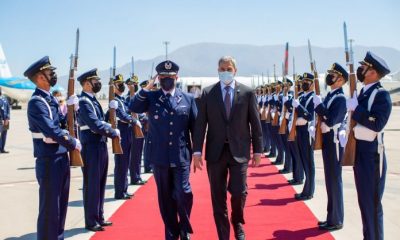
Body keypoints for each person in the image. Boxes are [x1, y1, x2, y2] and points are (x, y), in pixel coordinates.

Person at [193, 56, 263, 240]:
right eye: (222, 68)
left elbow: (255, 123)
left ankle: (237, 221)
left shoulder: (247, 93)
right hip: (216, 152)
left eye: (229, 68)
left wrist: (257, 150)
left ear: (235, 70)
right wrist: (197, 151)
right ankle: (223, 235)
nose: (225, 71)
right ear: (217, 70)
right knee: (218, 197)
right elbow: (201, 124)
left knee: (239, 192)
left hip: (239, 151)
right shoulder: (209, 93)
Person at [129, 60, 197, 240]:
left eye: (171, 76)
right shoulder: (151, 97)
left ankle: (183, 226)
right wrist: (146, 88)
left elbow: (195, 128)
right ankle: (172, 233)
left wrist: (197, 152)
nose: (167, 79)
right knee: (165, 198)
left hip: (181, 155)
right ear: (158, 78)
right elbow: (133, 107)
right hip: (159, 156)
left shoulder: (188, 99)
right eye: (164, 77)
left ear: (177, 77)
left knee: (184, 193)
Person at [24, 56, 81, 239]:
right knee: (50, 210)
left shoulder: (50, 100)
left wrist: (73, 109)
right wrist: (72, 142)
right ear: (40, 77)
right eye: (50, 72)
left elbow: (63, 123)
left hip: (60, 158)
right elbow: (51, 130)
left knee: (60, 208)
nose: (54, 75)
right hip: (49, 161)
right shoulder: (37, 102)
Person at [345, 51, 392, 240]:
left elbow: (377, 123)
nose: (360, 70)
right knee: (364, 203)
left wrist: (356, 109)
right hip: (360, 153)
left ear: (373, 73)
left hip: (372, 157)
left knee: (372, 205)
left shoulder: (381, 95)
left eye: (364, 67)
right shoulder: (362, 93)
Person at [77, 69, 120, 231]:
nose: (98, 84)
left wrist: (111, 110)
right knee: (92, 184)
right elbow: (95, 125)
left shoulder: (92, 100)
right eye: (95, 81)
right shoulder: (83, 102)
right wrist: (113, 132)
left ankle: (99, 216)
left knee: (100, 183)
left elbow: (102, 120)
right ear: (87, 83)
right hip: (91, 147)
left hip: (100, 145)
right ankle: (91, 220)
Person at [313, 63, 348, 231]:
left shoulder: (340, 98)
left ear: (341, 80)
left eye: (333, 75)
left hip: (334, 143)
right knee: (330, 181)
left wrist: (319, 106)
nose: (329, 77)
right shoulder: (331, 95)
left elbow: (331, 119)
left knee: (334, 180)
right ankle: (331, 216)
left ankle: (337, 219)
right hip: (327, 141)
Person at [109, 74, 140, 198]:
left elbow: (129, 110)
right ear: (114, 87)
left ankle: (124, 189)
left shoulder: (121, 100)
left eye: (122, 83)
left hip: (127, 134)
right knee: (121, 164)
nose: (122, 86)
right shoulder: (115, 101)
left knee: (125, 163)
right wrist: (133, 121)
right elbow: (122, 115)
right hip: (121, 135)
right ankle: (119, 191)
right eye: (119, 84)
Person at [290, 73, 315, 200]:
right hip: (300, 131)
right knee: (304, 161)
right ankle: (306, 189)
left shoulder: (312, 98)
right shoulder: (303, 97)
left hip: (306, 132)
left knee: (308, 162)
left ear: (312, 84)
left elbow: (309, 115)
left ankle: (309, 191)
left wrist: (298, 106)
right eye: (303, 81)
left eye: (307, 81)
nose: (304, 83)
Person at [124, 76, 148, 184]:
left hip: (140, 128)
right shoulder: (128, 98)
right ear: (129, 86)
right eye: (133, 84)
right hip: (133, 130)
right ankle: (134, 177)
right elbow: (130, 113)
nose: (135, 86)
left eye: (136, 84)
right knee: (134, 155)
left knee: (138, 154)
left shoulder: (137, 98)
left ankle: (137, 176)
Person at [0, 87, 10, 153]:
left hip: (6, 120)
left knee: (4, 134)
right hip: (0, 120)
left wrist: (7, 118)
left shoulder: (4, 98)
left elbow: (8, 108)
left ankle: (2, 149)